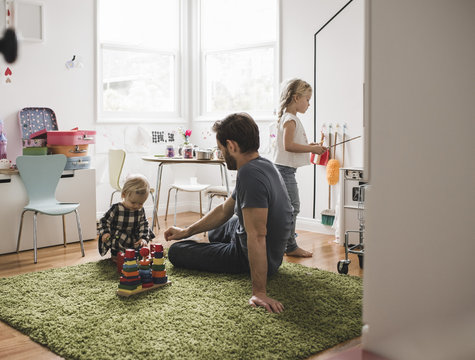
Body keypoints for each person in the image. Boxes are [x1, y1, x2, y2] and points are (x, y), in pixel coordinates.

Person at [165, 113, 294, 314]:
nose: (221, 154)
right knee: (217, 230)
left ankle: (217, 253)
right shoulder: (263, 164)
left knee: (176, 252)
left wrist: (259, 291)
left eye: (220, 149)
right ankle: (212, 244)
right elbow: (226, 208)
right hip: (269, 251)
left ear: (231, 146)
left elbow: (257, 235)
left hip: (247, 256)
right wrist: (186, 231)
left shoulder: (249, 174)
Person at [273, 78, 327, 258]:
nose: (309, 104)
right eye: (307, 99)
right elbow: (288, 146)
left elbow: (291, 144)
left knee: (289, 207)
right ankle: (290, 246)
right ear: (296, 98)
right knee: (292, 207)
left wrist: (309, 145)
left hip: (285, 169)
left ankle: (286, 243)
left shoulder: (289, 118)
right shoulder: (290, 120)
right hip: (284, 170)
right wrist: (312, 149)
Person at [97, 174, 155, 270]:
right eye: (133, 202)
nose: (136, 206)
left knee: (142, 241)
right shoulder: (116, 208)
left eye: (141, 203)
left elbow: (143, 224)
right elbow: (104, 221)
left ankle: (136, 255)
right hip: (118, 237)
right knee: (117, 237)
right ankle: (116, 256)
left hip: (133, 236)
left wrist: (143, 238)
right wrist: (105, 233)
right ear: (123, 194)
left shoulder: (140, 210)